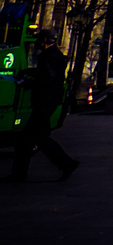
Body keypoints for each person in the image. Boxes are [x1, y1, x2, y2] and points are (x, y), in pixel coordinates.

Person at [4, 29, 80, 183]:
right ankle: (64, 164)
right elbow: (47, 75)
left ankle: (66, 164)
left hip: (44, 102)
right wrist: (29, 72)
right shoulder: (56, 55)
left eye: (39, 39)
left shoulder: (48, 56)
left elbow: (47, 80)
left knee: (29, 138)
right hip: (49, 102)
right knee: (36, 138)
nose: (37, 42)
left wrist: (27, 82)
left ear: (44, 40)